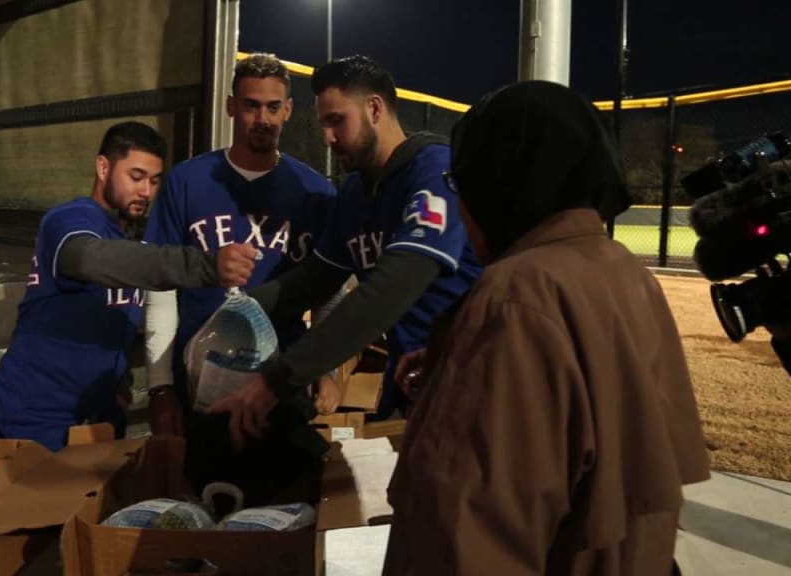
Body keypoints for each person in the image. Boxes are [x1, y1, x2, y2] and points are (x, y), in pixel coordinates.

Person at [382, 81, 711, 575]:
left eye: (461, 184)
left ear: (498, 181)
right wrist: (456, 365)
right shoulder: (621, 267)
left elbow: (464, 540)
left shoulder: (514, 295)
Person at [207, 55, 482, 448]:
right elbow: (314, 280)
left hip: (470, 383)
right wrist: (235, 312)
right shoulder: (354, 192)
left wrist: (281, 376)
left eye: (337, 121)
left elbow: (394, 285)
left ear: (374, 109)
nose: (327, 138)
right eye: (323, 124)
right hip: (412, 384)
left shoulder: (434, 169)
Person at [0, 121, 260, 451]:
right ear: (103, 167)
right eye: (136, 176)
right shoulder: (68, 219)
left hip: (99, 419)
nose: (146, 192)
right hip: (36, 420)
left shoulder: (133, 239)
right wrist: (206, 265)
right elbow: (89, 259)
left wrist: (121, 382)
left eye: (155, 181)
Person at [143, 53, 337, 437]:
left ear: (288, 110)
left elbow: (327, 289)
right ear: (231, 107)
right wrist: (160, 386)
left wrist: (326, 368)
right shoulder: (187, 181)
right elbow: (160, 289)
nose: (262, 119)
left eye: (273, 107)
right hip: (199, 381)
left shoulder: (315, 192)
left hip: (283, 381)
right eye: (251, 105)